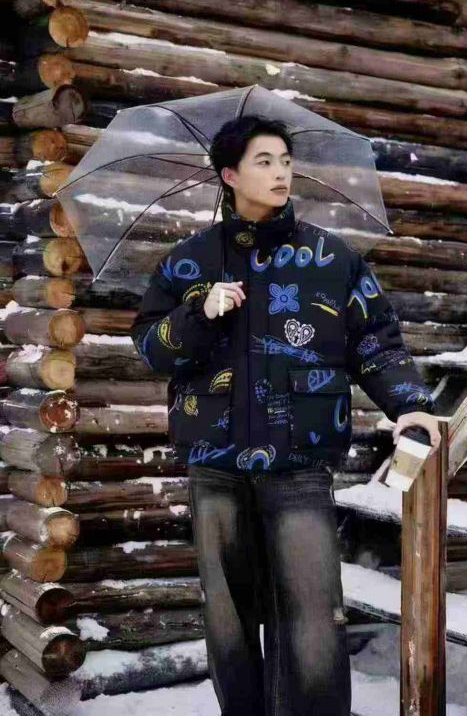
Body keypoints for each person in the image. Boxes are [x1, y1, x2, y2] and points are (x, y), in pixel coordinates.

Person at [130, 116, 440, 716]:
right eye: (264, 161)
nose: (281, 173)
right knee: (228, 616)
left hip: (299, 461)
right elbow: (150, 349)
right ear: (229, 175)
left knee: (314, 612)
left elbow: (376, 342)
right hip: (215, 465)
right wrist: (200, 312)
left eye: (286, 161)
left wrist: (411, 406)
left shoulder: (332, 258)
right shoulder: (189, 261)